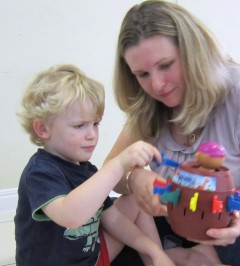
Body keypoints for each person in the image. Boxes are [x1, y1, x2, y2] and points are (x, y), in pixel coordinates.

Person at [105, 1, 240, 265]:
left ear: (192, 52)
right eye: (142, 74)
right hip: (174, 223)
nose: (157, 85)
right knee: (91, 245)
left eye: (166, 65)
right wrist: (135, 178)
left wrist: (239, 211)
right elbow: (110, 174)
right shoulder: (147, 105)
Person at [14, 64, 175, 266]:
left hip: (94, 258)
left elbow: (113, 220)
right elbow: (70, 216)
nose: (92, 135)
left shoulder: (87, 170)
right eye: (80, 126)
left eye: (95, 124)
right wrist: (118, 163)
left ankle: (159, 260)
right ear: (43, 129)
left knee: (135, 199)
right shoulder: (39, 173)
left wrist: (152, 251)